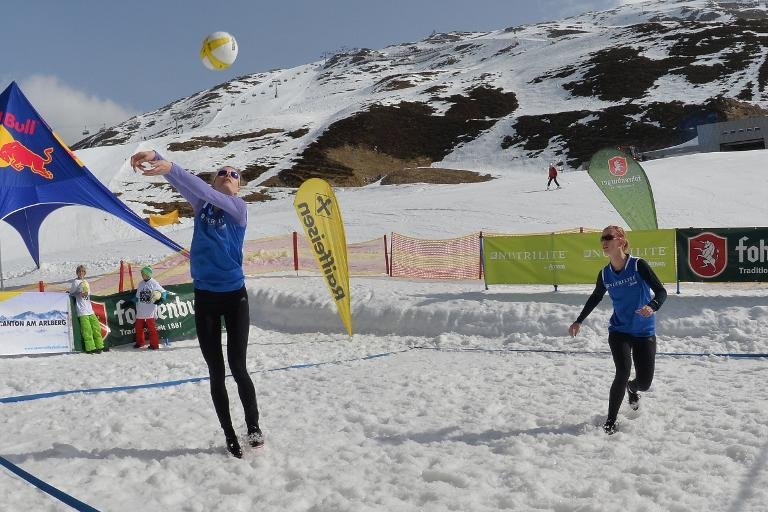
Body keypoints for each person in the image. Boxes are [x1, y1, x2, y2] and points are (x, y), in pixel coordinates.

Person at [130, 150, 263, 458]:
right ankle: (229, 434)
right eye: (222, 173)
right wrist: (156, 158)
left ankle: (253, 426)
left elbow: (195, 185)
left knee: (238, 367)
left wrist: (170, 166)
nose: (228, 176)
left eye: (234, 175)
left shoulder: (238, 208)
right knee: (215, 372)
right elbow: (186, 185)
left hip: (234, 297)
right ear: (214, 181)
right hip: (205, 297)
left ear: (239, 187)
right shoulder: (202, 204)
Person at [568, 226, 667, 435]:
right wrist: (579, 320)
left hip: (644, 332)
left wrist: (652, 306)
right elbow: (595, 297)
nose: (604, 242)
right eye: (601, 238)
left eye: (608, 237)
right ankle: (611, 420)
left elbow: (661, 291)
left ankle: (633, 388)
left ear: (621, 241)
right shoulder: (605, 273)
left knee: (645, 383)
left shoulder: (638, 265)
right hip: (619, 331)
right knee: (621, 372)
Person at [69, 265, 106, 354]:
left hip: (89, 309)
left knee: (96, 327)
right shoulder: (75, 282)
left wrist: (84, 293)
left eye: (83, 271)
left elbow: (88, 294)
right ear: (77, 272)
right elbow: (71, 293)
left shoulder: (86, 282)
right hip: (82, 310)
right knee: (87, 330)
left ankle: (100, 346)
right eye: (79, 271)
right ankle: (90, 347)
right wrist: (78, 293)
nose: (81, 273)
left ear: (85, 273)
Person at [133, 265, 166, 350]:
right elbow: (137, 297)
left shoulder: (154, 283)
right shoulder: (140, 284)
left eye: (143, 273)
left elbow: (163, 292)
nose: (142, 275)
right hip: (140, 309)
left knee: (151, 328)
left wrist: (162, 299)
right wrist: (130, 301)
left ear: (148, 274)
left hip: (150, 310)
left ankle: (154, 345)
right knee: (138, 327)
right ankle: (140, 342)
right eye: (141, 273)